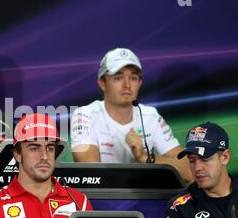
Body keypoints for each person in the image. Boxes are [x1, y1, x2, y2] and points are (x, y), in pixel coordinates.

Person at [70, 47, 192, 184]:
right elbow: (89, 174)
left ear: (140, 84)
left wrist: (145, 157)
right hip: (103, 201)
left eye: (133, 78)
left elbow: (190, 171)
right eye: (118, 78)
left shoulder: (150, 116)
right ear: (102, 83)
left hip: (146, 199)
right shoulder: (85, 115)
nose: (127, 85)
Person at [0, 113, 93, 218]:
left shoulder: (79, 202)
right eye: (34, 148)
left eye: (50, 148)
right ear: (17, 154)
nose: (44, 156)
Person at [163, 122, 238, 218]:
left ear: (225, 157)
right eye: (192, 160)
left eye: (205, 159)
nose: (197, 168)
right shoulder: (178, 207)